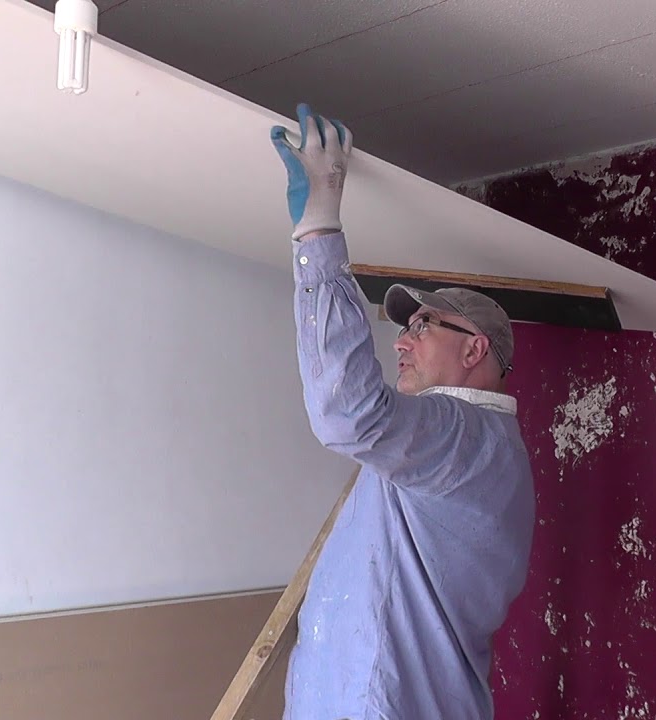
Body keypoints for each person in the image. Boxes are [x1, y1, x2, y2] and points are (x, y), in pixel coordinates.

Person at [268, 102, 536, 720]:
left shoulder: (462, 437)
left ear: (475, 349)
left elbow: (347, 413)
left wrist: (319, 231)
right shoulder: (467, 445)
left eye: (423, 324)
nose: (403, 339)